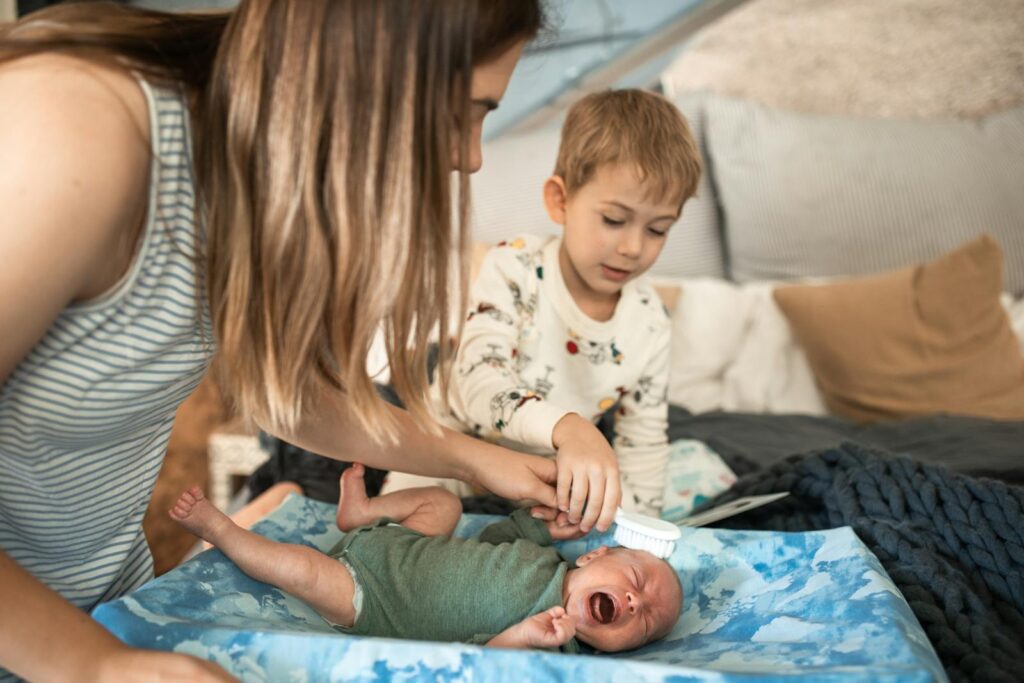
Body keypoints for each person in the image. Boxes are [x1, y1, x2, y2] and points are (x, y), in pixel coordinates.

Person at [0, 2, 616, 680]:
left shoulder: (243, 173)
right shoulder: (78, 126)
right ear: (366, 56)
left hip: (101, 603)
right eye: (465, 111)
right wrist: (96, 665)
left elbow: (288, 395)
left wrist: (473, 460)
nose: (468, 158)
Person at [384, 89, 703, 521]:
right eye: (613, 220)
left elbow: (642, 443)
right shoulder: (513, 267)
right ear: (560, 200)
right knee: (398, 537)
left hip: (543, 476)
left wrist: (638, 534)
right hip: (451, 450)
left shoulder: (650, 321)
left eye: (658, 229)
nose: (632, 248)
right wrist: (569, 427)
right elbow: (482, 381)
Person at [170, 463, 683, 653]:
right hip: (403, 543)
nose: (636, 603)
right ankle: (362, 512)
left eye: (644, 624)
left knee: (299, 568)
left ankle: (220, 529)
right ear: (594, 557)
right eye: (637, 581)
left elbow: (483, 660)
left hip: (369, 595)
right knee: (444, 503)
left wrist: (525, 639)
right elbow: (493, 541)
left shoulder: (552, 637)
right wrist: (536, 524)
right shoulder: (543, 559)